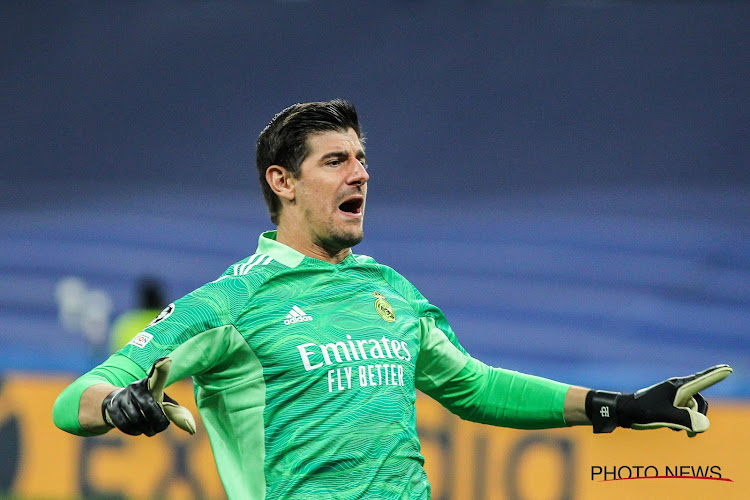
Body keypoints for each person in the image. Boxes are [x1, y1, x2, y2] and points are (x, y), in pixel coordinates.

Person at [53, 99, 732, 499]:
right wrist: (116, 403)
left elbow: (476, 387)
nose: (361, 174)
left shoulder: (389, 292)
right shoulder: (231, 303)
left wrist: (614, 406)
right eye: (336, 161)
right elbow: (71, 402)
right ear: (282, 182)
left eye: (362, 158)